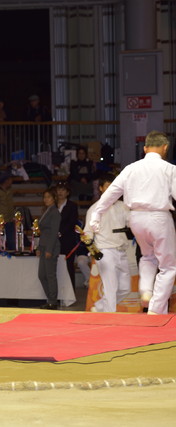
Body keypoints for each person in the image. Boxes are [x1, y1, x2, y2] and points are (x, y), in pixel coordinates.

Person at [89, 131, 176, 315]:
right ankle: (155, 308)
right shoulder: (169, 169)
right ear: (165, 147)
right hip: (159, 217)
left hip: (136, 218)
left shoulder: (131, 168)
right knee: (168, 266)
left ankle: (145, 290)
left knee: (147, 256)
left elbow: (111, 193)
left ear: (145, 148)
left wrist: (97, 213)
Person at [83, 173, 131, 312]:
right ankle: (109, 317)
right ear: (101, 188)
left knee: (125, 288)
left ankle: (99, 307)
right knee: (111, 287)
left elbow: (133, 223)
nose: (111, 190)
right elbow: (87, 233)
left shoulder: (123, 206)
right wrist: (93, 251)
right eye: (107, 187)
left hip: (121, 250)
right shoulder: (94, 209)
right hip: (105, 251)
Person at [37, 188, 61, 309]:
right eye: (45, 197)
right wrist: (39, 247)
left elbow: (54, 232)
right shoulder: (46, 211)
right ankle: (51, 299)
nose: (46, 199)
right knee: (42, 275)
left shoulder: (55, 212)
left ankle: (53, 301)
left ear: (54, 198)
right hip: (44, 245)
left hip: (50, 247)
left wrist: (49, 250)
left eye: (49, 197)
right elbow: (43, 232)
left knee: (50, 275)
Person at [56, 182, 79, 288]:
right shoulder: (52, 205)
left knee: (68, 266)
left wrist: (60, 233)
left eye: (63, 190)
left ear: (67, 193)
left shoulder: (72, 206)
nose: (60, 192)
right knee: (56, 267)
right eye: (58, 190)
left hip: (67, 241)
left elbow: (72, 223)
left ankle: (71, 292)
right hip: (54, 241)